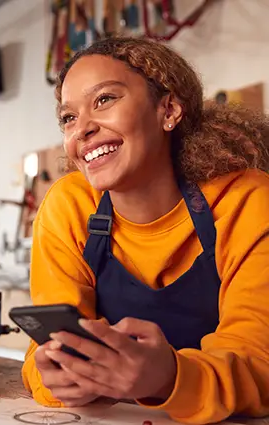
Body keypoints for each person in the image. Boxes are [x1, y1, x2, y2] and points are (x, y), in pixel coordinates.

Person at [21, 36, 269, 425]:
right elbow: (44, 351)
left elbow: (260, 364)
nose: (82, 129)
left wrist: (169, 379)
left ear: (168, 109)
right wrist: (55, 378)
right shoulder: (67, 206)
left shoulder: (246, 200)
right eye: (68, 118)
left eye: (104, 99)